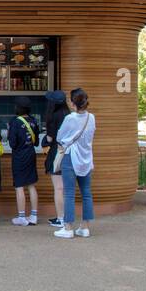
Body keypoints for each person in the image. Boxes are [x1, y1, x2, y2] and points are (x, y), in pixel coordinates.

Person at [54, 87, 96, 239]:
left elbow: (60, 136)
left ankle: (68, 227)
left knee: (69, 193)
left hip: (71, 157)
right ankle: (85, 227)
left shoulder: (70, 119)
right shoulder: (91, 118)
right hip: (86, 158)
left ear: (73, 103)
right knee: (86, 193)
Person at [7, 99, 40, 225]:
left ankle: (21, 216)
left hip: (19, 156)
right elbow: (36, 142)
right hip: (31, 154)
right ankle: (34, 215)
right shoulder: (34, 121)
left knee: (19, 186)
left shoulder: (14, 122)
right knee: (31, 185)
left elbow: (12, 143)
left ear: (18, 108)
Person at [40, 89, 68, 227]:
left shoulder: (53, 116)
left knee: (58, 188)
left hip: (57, 153)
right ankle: (64, 217)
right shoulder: (68, 115)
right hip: (68, 153)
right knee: (65, 188)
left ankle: (61, 218)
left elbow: (50, 138)